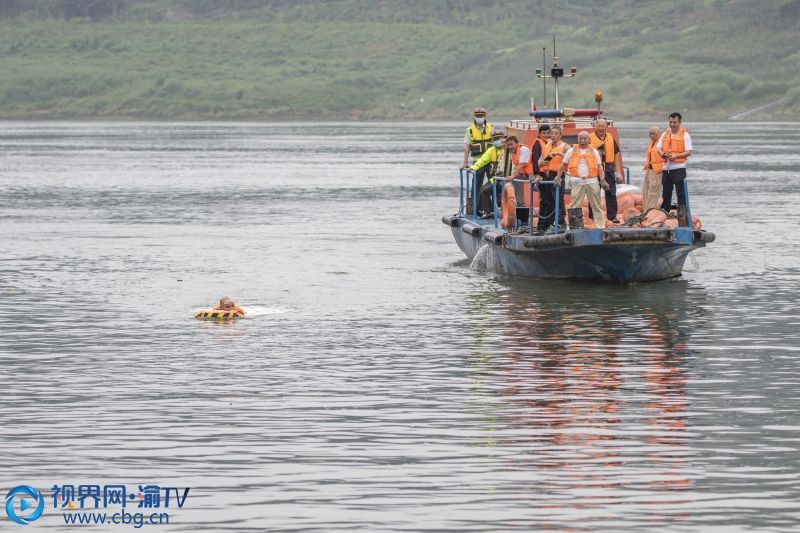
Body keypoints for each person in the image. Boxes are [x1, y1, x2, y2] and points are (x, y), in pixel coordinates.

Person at [554, 131, 607, 229]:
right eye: (580, 139)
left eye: (584, 139)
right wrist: (557, 178)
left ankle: (600, 227)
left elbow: (600, 167)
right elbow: (562, 165)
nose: (582, 141)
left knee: (596, 206)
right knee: (574, 205)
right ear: (578, 139)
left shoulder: (594, 151)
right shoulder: (571, 151)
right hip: (576, 181)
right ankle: (575, 227)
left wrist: (602, 180)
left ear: (589, 140)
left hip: (592, 181)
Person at [657, 112, 693, 212]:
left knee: (680, 193)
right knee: (666, 193)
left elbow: (689, 152)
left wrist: (676, 156)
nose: (672, 124)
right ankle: (665, 212)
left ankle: (682, 214)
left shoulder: (685, 135)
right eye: (670, 122)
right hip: (666, 168)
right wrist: (662, 154)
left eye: (674, 122)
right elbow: (658, 148)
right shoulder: (665, 134)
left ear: (679, 122)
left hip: (679, 168)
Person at [589, 118, 624, 223]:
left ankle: (612, 216)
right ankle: (593, 217)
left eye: (602, 126)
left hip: (608, 168)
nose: (600, 128)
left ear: (606, 127)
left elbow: (616, 155)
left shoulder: (610, 138)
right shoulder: (590, 138)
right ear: (595, 126)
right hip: (594, 168)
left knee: (611, 193)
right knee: (594, 193)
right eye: (598, 126)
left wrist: (618, 173)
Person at [536, 125, 568, 232]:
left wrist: (559, 154)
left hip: (557, 175)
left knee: (558, 200)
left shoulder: (565, 146)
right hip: (545, 175)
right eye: (552, 133)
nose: (553, 136)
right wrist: (541, 163)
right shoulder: (547, 145)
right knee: (546, 200)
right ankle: (545, 224)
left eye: (555, 133)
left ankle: (560, 223)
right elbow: (539, 161)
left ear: (560, 135)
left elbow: (571, 157)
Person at [471, 130, 508, 217]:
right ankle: (481, 211)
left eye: (498, 139)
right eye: (494, 139)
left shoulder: (506, 150)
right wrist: (473, 167)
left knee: (485, 191)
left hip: (504, 179)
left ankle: (489, 212)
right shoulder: (491, 151)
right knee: (482, 189)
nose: (496, 141)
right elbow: (482, 160)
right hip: (495, 178)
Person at [462, 108, 494, 205]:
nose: (479, 118)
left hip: (491, 162)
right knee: (476, 185)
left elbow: (497, 145)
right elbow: (467, 146)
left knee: (495, 183)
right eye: (477, 116)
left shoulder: (491, 127)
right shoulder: (470, 130)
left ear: (484, 117)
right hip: (478, 162)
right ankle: (474, 207)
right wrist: (465, 161)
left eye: (481, 116)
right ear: (474, 117)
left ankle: (496, 207)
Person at [505, 135, 533, 224]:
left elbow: (521, 164)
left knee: (537, 189)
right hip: (521, 174)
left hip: (532, 173)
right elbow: (517, 166)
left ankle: (524, 214)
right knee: (518, 193)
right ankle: (520, 211)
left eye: (511, 144)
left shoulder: (523, 149)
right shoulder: (513, 152)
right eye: (508, 145)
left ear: (517, 143)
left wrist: (512, 176)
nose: (510, 146)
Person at [642, 126, 664, 210]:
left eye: (653, 133)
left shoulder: (661, 143)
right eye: (650, 133)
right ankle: (645, 210)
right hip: (649, 169)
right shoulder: (652, 143)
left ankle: (649, 211)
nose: (651, 135)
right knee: (646, 190)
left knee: (653, 192)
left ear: (659, 134)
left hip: (657, 171)